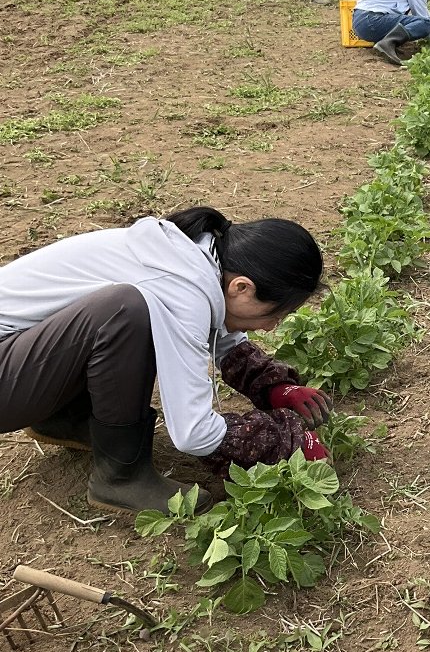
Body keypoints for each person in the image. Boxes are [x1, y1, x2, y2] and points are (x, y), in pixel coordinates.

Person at [0, 208, 332, 514]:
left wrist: (274, 386)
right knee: (125, 311)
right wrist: (284, 442)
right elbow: (194, 433)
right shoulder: (181, 287)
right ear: (241, 287)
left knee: (131, 313)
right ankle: (121, 479)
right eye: (274, 313)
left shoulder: (194, 258)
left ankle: (65, 419)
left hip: (19, 357)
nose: (271, 326)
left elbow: (223, 333)